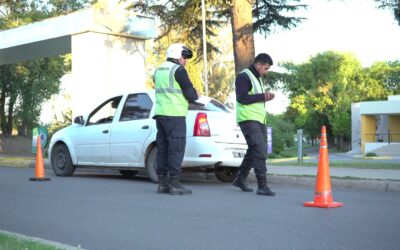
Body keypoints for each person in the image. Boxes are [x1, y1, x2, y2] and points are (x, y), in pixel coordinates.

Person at [153, 43, 198, 195]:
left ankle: (162, 184)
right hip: (175, 115)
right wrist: (196, 94)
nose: (185, 60)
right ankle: (174, 184)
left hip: (160, 115)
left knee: (163, 149)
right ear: (177, 55)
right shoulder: (178, 70)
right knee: (176, 148)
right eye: (184, 57)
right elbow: (190, 95)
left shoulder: (158, 71)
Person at [232, 53, 276, 196]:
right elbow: (242, 98)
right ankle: (262, 186)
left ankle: (239, 179)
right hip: (248, 119)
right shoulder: (244, 77)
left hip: (258, 120)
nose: (266, 72)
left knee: (254, 150)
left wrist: (265, 97)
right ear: (258, 64)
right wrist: (263, 96)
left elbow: (254, 98)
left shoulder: (257, 78)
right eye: (265, 68)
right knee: (260, 150)